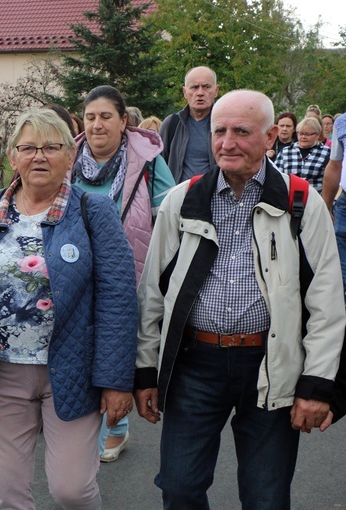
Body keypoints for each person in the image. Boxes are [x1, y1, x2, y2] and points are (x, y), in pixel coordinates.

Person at [135, 90, 345, 508]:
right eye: (219, 131)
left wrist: (318, 385)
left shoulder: (300, 202)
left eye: (241, 132)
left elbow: (327, 303)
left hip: (271, 365)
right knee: (179, 489)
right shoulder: (182, 200)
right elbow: (153, 295)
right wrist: (145, 371)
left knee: (266, 498)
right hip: (194, 364)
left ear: (269, 137)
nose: (227, 142)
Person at [0, 108, 138, 509]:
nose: (39, 156)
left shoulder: (93, 211)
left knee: (71, 490)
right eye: (28, 147)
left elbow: (118, 299)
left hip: (73, 370)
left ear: (70, 157)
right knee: (7, 494)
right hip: (2, 372)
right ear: (12, 157)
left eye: (51, 147)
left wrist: (116, 381)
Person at [72, 85, 175, 462]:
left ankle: (115, 426)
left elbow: (168, 213)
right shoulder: (69, 157)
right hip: (77, 268)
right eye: (90, 117)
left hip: (129, 266)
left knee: (117, 347)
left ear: (123, 121)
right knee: (80, 346)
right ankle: (81, 422)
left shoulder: (147, 159)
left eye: (105, 116)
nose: (97, 125)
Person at [160, 66, 219, 182]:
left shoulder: (225, 125)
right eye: (194, 87)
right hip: (179, 196)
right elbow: (159, 167)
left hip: (216, 196)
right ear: (185, 92)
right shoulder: (172, 124)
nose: (200, 93)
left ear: (216, 91)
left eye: (206, 87)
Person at [322, 113, 346, 300]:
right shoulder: (342, 121)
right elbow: (335, 166)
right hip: (344, 206)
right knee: (341, 276)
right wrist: (325, 207)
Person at [275, 116, 330, 192]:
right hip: (289, 196)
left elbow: (330, 180)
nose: (303, 137)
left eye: (307, 134)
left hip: (315, 197)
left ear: (317, 135)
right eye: (301, 134)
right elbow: (277, 176)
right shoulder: (286, 151)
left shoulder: (326, 152)